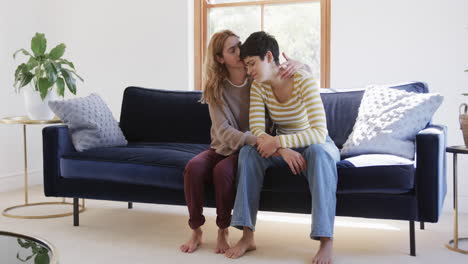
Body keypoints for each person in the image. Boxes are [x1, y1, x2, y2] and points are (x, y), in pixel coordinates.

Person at [180, 29, 306, 254]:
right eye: (232, 50)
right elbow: (224, 132)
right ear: (220, 59)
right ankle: (196, 230)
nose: (240, 51)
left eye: (239, 45)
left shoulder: (258, 78)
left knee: (222, 172)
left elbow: (288, 74)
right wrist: (260, 139)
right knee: (193, 168)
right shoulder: (215, 88)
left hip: (250, 148)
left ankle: (222, 230)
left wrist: (301, 65)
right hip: (223, 146)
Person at [225, 31, 340, 264]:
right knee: (248, 153)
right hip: (282, 145)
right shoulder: (259, 86)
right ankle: (248, 236)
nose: (249, 71)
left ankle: (326, 240)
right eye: (246, 66)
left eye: (251, 64)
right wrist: (281, 150)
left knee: (319, 153)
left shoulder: (303, 79)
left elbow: (319, 132)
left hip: (315, 143)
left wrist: (278, 142)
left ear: (268, 56)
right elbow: (258, 130)